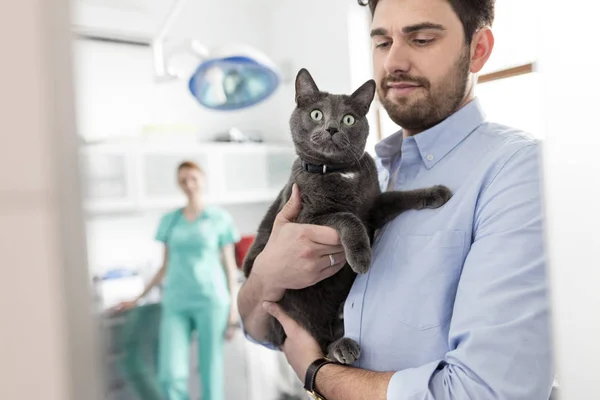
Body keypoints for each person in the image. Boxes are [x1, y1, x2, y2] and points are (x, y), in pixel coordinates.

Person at [237, 0, 554, 399]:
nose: (394, 61)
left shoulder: (519, 172)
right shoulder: (370, 171)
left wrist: (317, 372)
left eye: (421, 39)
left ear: (479, 50)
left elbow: (486, 393)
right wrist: (266, 275)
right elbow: (259, 327)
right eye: (382, 42)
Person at [115, 160, 241, 400]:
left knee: (210, 372)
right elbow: (164, 266)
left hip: (211, 300)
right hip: (176, 301)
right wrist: (138, 298)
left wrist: (233, 310)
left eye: (193, 178)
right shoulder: (170, 220)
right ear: (178, 184)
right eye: (183, 180)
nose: (189, 184)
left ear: (202, 179)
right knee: (170, 374)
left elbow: (230, 267)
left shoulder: (219, 219)